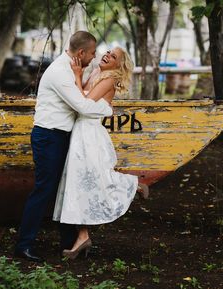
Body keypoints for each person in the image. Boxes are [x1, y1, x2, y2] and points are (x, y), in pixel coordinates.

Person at [14, 31, 113, 263]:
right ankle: (23, 245)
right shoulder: (60, 72)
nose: (95, 56)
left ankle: (70, 243)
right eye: (92, 52)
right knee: (44, 190)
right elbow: (82, 106)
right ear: (81, 53)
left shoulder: (72, 69)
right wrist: (108, 110)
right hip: (49, 137)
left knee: (64, 190)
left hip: (61, 136)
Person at [52, 47, 149, 260]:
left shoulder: (109, 79)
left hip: (89, 134)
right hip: (80, 132)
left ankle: (131, 185)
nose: (107, 55)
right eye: (107, 52)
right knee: (81, 184)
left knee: (92, 179)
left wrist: (77, 75)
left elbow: (82, 104)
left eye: (113, 56)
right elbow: (80, 95)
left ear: (118, 66)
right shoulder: (97, 74)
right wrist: (81, 75)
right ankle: (83, 236)